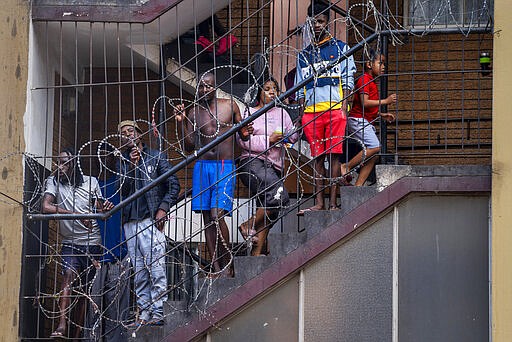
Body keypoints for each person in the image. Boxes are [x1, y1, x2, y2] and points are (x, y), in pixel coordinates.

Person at [175, 72, 252, 276]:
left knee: (218, 215)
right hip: (202, 167)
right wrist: (181, 122)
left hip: (224, 166)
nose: (204, 90)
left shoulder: (229, 105)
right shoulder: (193, 112)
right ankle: (216, 268)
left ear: (215, 86)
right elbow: (189, 146)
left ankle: (229, 265)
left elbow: (243, 131)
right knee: (208, 219)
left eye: (208, 86)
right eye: (201, 86)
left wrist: (246, 132)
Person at [42, 147, 114, 339]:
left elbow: (102, 212)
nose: (60, 166)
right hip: (71, 243)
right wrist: (76, 215)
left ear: (75, 163)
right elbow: (46, 206)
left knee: (84, 291)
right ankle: (62, 324)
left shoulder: (91, 182)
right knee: (67, 277)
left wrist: (106, 207)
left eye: (65, 162)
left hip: (92, 244)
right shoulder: (54, 182)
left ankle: (76, 334)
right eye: (58, 162)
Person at [294, 1, 356, 215]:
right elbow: (299, 88)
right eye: (313, 23)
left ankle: (332, 203)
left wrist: (344, 110)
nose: (317, 26)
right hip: (311, 114)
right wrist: (301, 116)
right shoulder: (303, 55)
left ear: (328, 22)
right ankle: (319, 203)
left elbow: (348, 81)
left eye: (320, 21)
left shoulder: (341, 48)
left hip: (334, 110)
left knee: (334, 158)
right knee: (318, 159)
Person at [118, 120, 180, 327]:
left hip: (150, 220)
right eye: (124, 133)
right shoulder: (122, 162)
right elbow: (122, 191)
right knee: (139, 271)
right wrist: (131, 165)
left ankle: (159, 310)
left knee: (156, 268)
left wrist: (163, 208)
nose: (128, 135)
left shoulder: (156, 157)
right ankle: (144, 313)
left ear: (139, 133)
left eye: (131, 131)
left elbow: (173, 184)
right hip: (130, 223)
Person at [237, 77, 299, 256]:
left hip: (275, 167)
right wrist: (269, 140)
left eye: (275, 88)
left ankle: (255, 255)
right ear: (259, 92)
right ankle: (247, 225)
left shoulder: (282, 113)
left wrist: (294, 131)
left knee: (269, 208)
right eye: (267, 88)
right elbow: (242, 141)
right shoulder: (250, 112)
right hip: (252, 162)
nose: (272, 92)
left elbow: (291, 137)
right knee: (281, 198)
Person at [86, 147, 130, 341]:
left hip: (119, 252)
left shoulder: (122, 185)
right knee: (94, 304)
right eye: (100, 156)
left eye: (108, 156)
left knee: (116, 307)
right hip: (96, 253)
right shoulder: (92, 188)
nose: (104, 160)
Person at [341, 50, 397, 186]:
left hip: (363, 119)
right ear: (369, 64)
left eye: (385, 64)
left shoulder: (371, 82)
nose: (384, 67)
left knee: (374, 154)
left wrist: (382, 115)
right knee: (375, 146)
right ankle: (346, 166)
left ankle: (358, 185)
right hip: (357, 120)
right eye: (380, 63)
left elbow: (367, 108)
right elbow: (364, 102)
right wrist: (386, 101)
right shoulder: (364, 79)